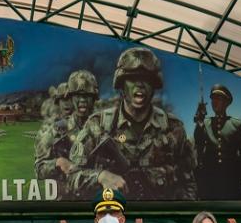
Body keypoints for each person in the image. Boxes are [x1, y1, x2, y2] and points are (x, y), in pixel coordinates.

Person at [68, 47, 195, 200]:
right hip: (112, 216)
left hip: (158, 219)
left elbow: (188, 183)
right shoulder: (98, 125)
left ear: (154, 85)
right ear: (121, 85)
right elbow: (72, 176)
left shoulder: (173, 128)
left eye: (146, 80)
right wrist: (100, 177)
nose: (140, 85)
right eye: (133, 79)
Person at [193, 85, 241, 200]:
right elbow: (198, 141)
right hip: (210, 179)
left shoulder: (236, 124)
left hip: (231, 179)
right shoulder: (206, 123)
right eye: (213, 99)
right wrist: (199, 122)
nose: (214, 102)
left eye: (219, 98)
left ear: (226, 103)